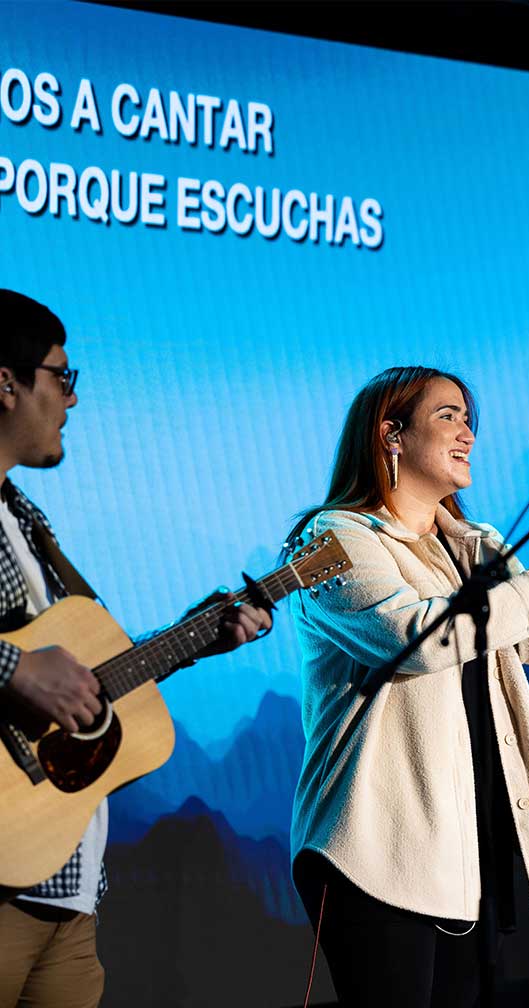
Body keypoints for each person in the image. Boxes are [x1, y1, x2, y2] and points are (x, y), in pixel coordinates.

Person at [286, 365, 529, 1008]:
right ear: (391, 434)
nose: (468, 434)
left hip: (461, 844)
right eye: (448, 416)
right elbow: (413, 638)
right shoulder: (334, 537)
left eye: (469, 420)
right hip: (373, 847)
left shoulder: (473, 545)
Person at [0, 288, 272, 1008]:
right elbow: (34, 670)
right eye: (63, 378)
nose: (72, 400)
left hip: (68, 888)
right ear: (6, 383)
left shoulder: (26, 520)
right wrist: (16, 667)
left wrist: (193, 640)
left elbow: (82, 676)